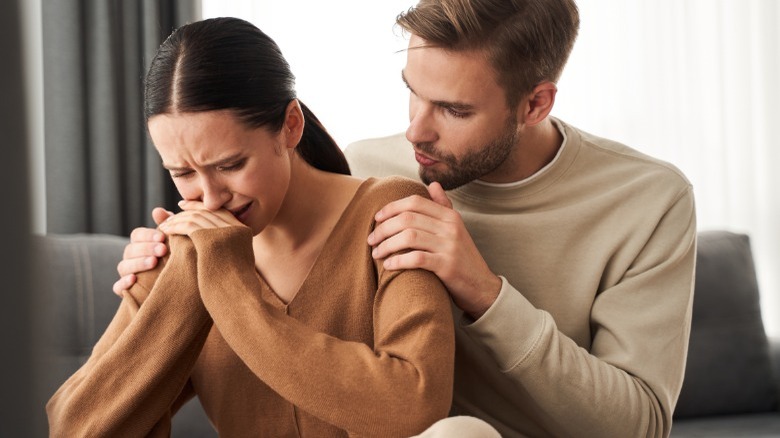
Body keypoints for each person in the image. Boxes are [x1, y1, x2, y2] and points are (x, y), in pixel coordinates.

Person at [116, 1, 697, 437]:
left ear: (536, 104)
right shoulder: (367, 172)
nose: (417, 130)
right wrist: (160, 284)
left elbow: (640, 425)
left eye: (453, 109)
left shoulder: (646, 199)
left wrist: (486, 294)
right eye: (413, 93)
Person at [47, 17, 456, 437]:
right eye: (182, 173)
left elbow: (414, 406)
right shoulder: (184, 250)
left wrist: (227, 283)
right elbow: (74, 427)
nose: (210, 196)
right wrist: (190, 269)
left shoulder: (389, 212)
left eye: (230, 165)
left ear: (290, 126)